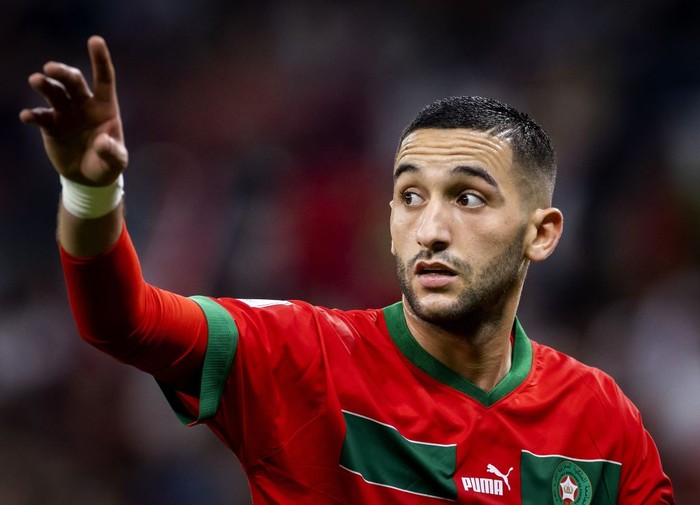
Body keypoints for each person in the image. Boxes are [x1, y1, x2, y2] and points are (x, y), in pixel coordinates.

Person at [20, 36, 674, 504]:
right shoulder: (302, 357)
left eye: (469, 198)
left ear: (541, 232)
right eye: (411, 196)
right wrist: (90, 192)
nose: (433, 227)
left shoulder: (602, 423)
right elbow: (122, 320)